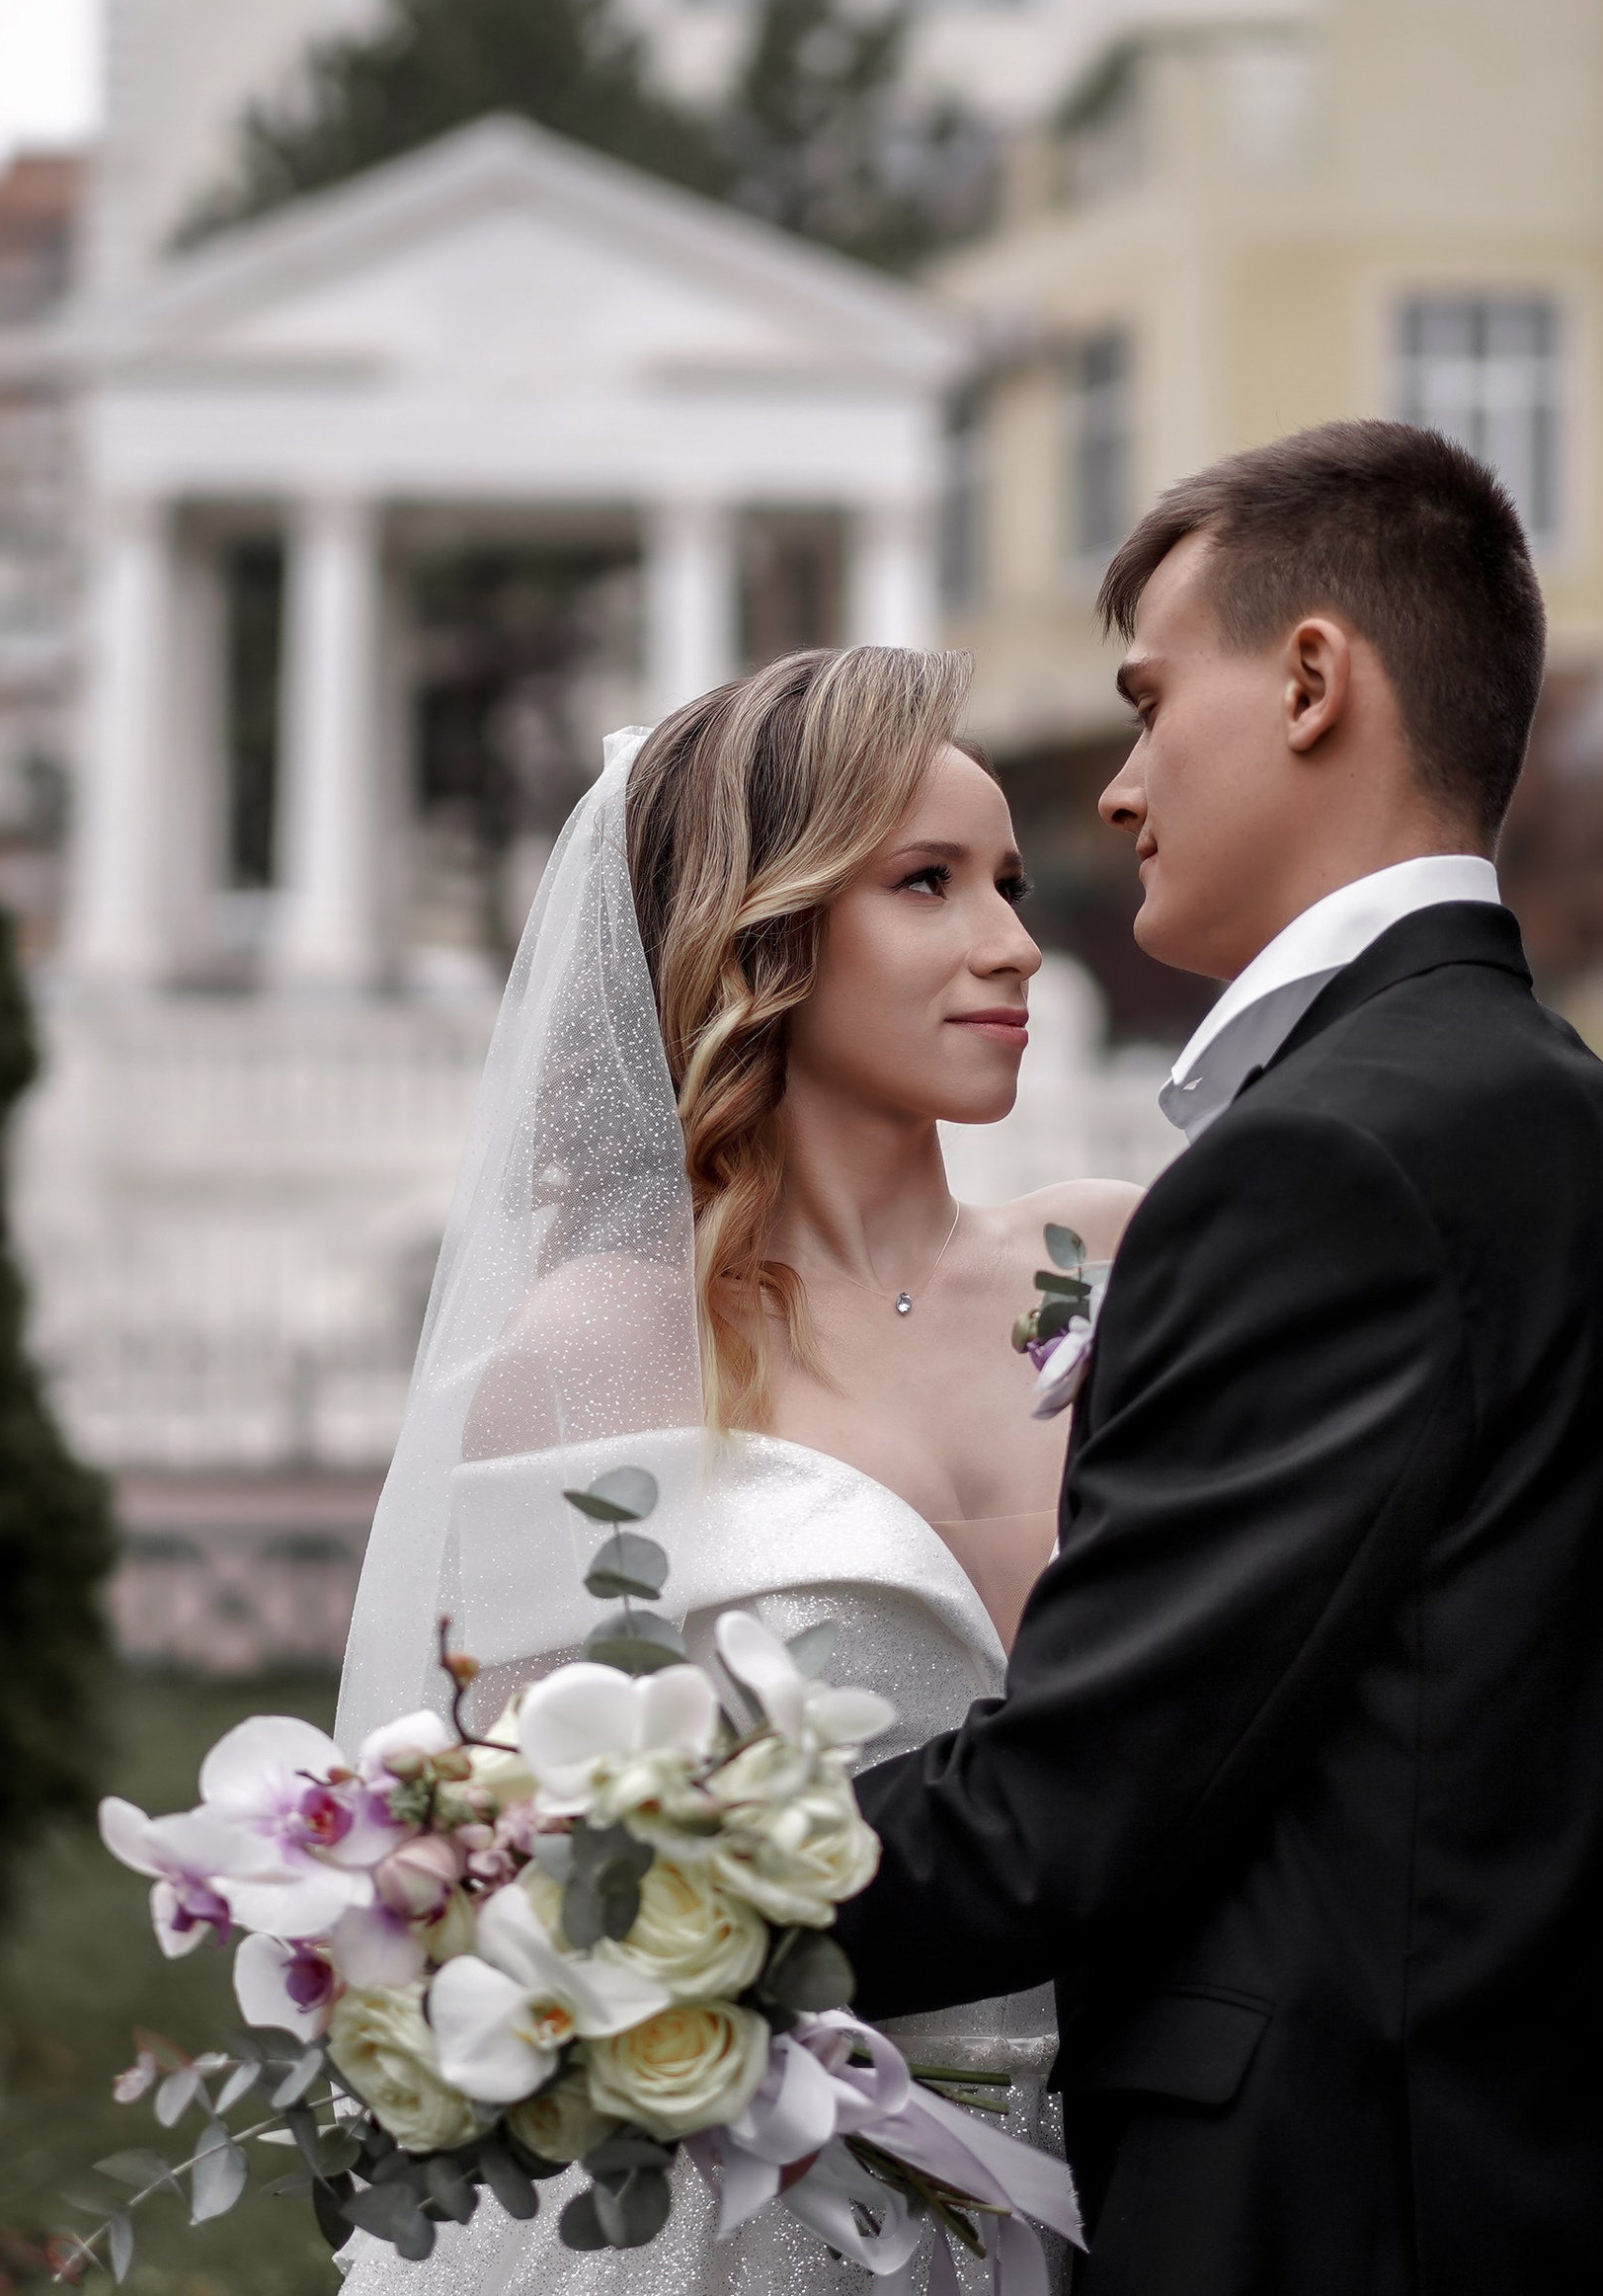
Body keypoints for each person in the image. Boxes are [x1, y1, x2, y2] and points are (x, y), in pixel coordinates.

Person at [832, 420, 1603, 2294]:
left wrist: (601, 1888)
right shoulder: (1556, 1118)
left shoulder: (1334, 1161)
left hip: (1341, 2218)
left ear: (1315, 679)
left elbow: (1067, 1812)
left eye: (1155, 703)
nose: (1125, 787)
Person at [334, 643, 1136, 2294]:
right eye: (927, 883)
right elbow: (533, 1880)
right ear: (762, 928)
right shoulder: (600, 1348)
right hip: (752, 2228)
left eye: (1009, 880)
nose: (1015, 945)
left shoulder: (1116, 1260)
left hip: (1153, 2169)